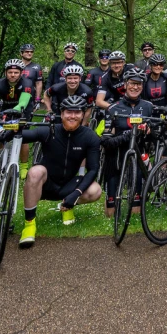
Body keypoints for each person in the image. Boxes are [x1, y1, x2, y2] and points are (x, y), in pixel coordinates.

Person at [18, 95, 103, 247]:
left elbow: (93, 169)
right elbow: (23, 136)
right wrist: (13, 130)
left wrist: (76, 193)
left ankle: (66, 205)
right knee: (36, 171)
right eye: (69, 112)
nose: (72, 116)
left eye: (77, 112)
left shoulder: (90, 137)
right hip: (45, 184)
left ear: (83, 115)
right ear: (62, 114)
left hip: (69, 185)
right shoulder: (49, 130)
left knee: (96, 190)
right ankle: (29, 225)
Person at [100, 68, 155, 216]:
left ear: (142, 86)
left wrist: (150, 130)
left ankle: (144, 188)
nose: (135, 87)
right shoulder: (113, 109)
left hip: (137, 157)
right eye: (132, 83)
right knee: (110, 213)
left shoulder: (148, 107)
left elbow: (155, 135)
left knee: (136, 212)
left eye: (139, 84)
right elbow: (105, 142)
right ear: (125, 84)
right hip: (115, 159)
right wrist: (131, 134)